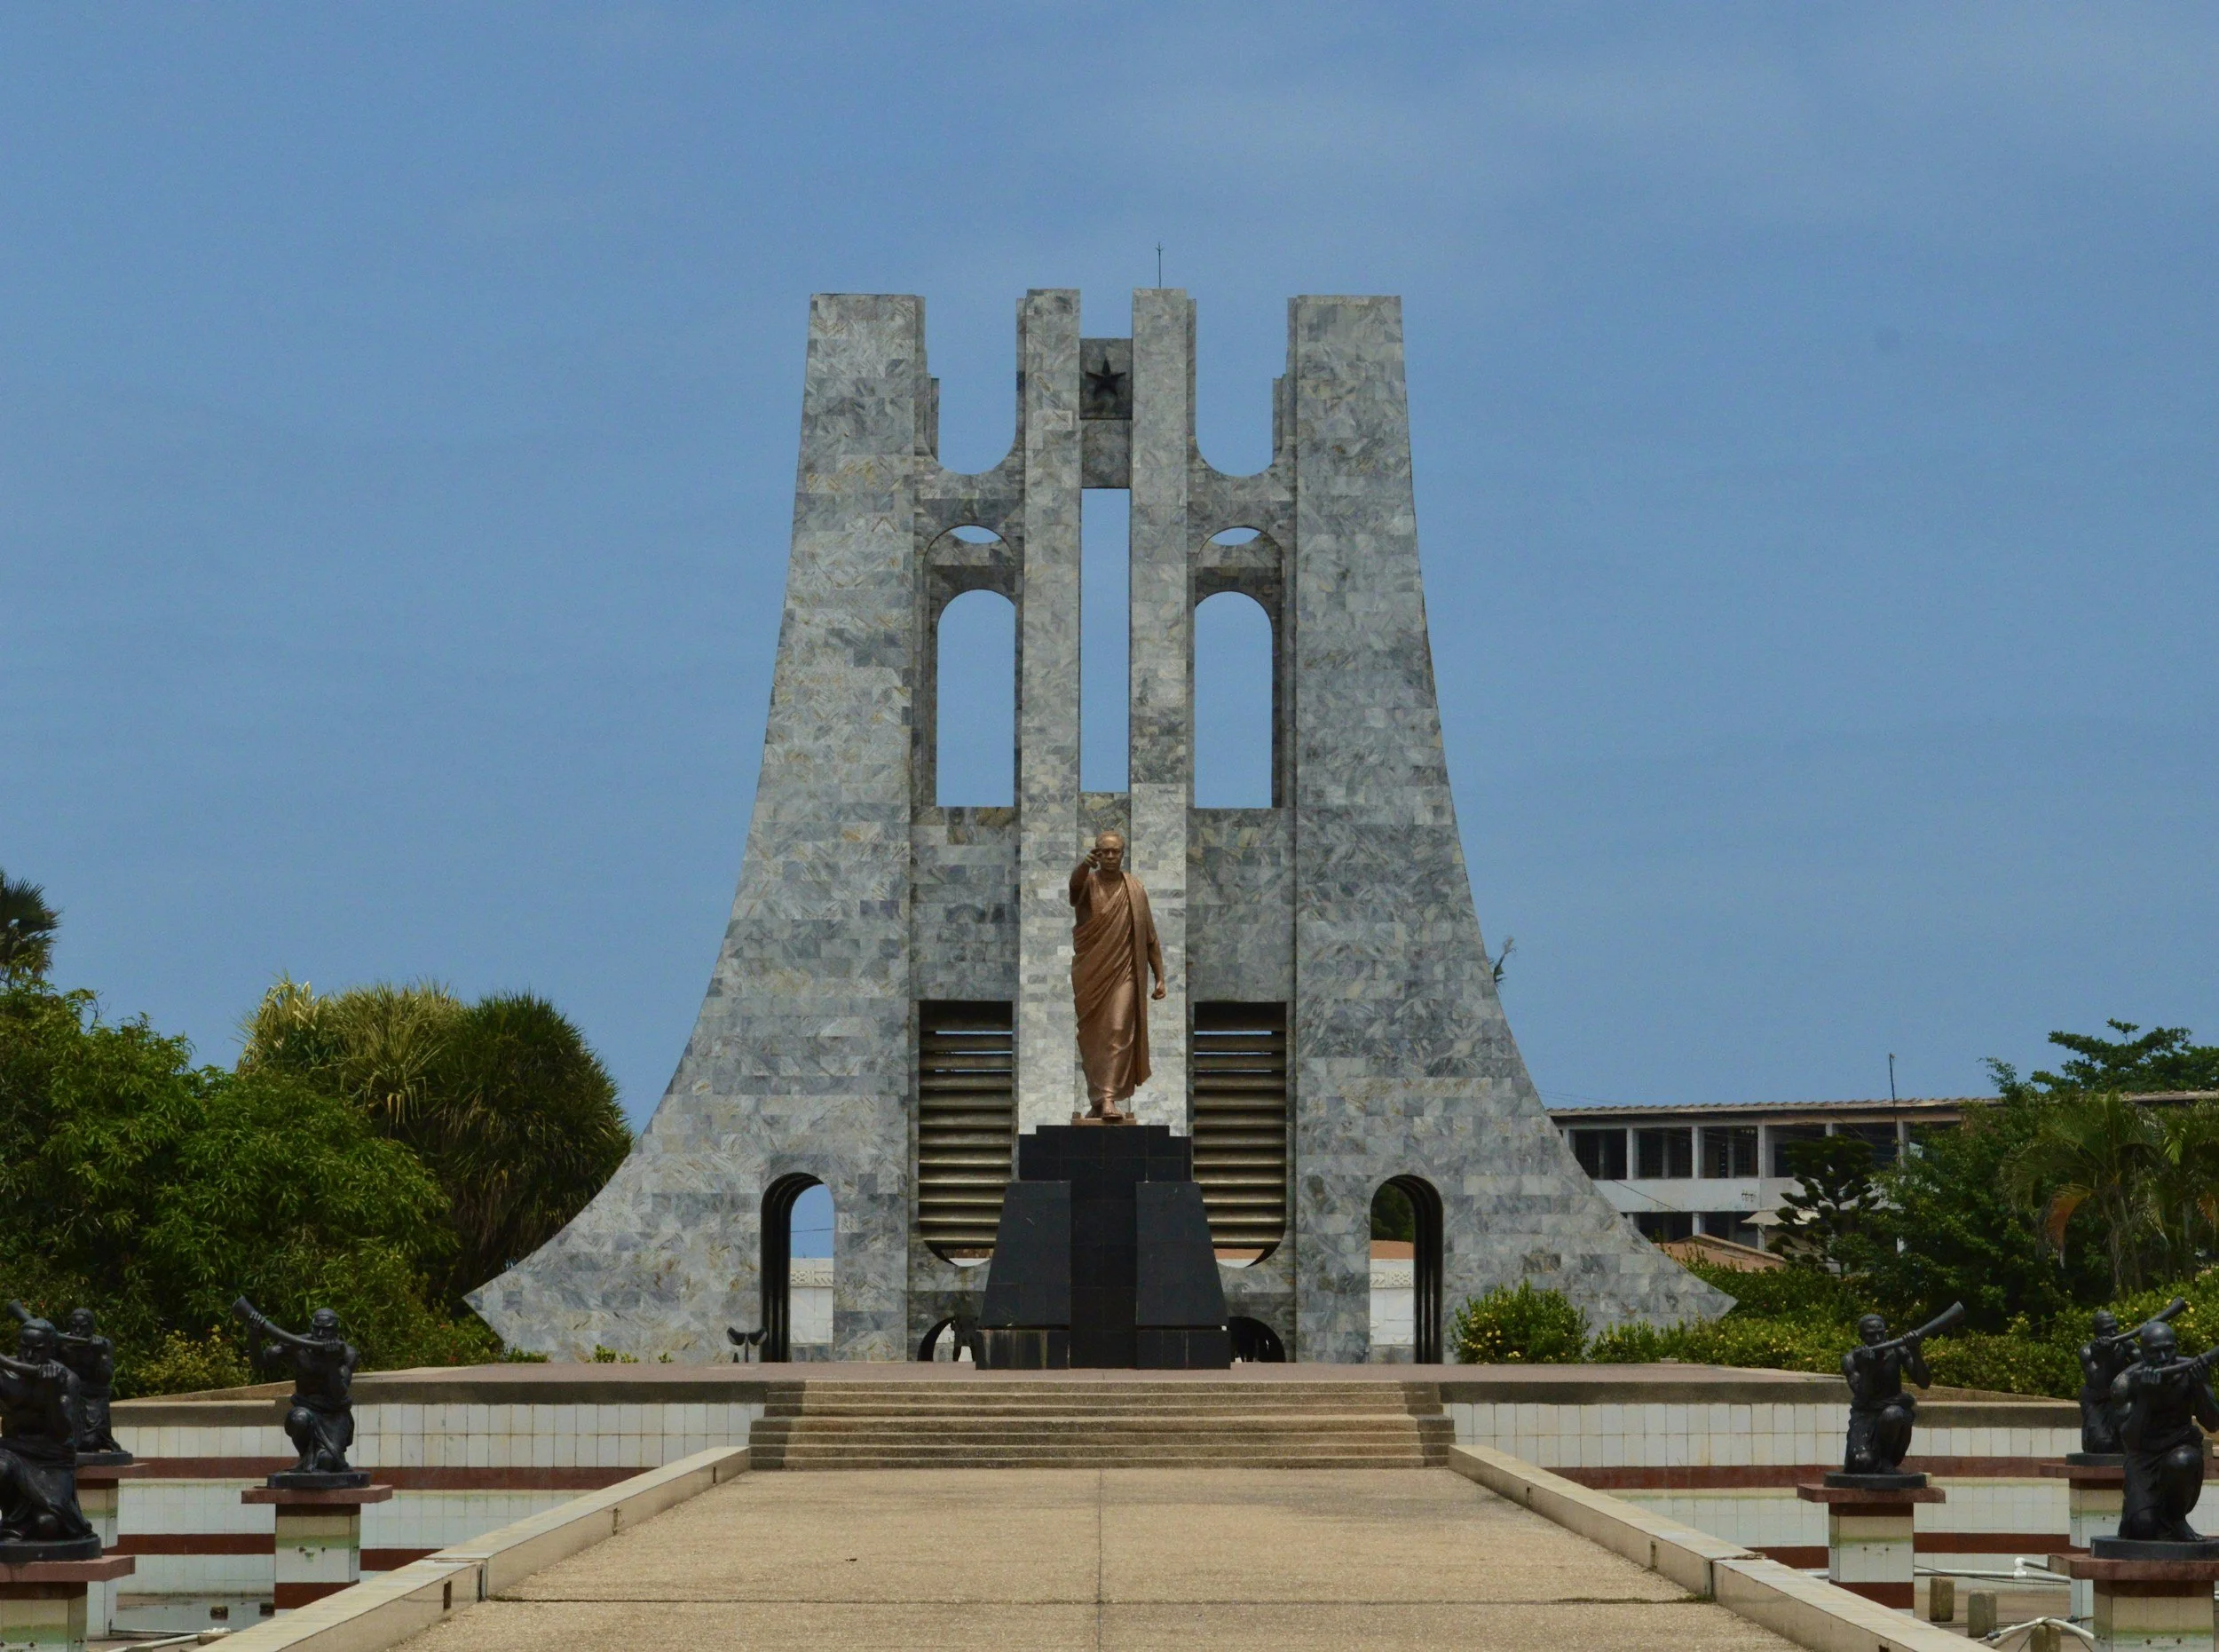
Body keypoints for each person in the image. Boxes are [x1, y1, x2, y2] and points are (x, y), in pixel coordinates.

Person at [1067, 830, 1166, 1121]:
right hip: (1092, 973)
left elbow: (1150, 938)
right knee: (1093, 1038)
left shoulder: (1134, 889)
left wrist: (1160, 976)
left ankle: (1108, 1097)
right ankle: (1098, 1100)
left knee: (1118, 1028)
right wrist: (1083, 866)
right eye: (1104, 852)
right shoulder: (1088, 882)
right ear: (1097, 854)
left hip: (1124, 972)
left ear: (1122, 854)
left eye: (1115, 852)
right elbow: (1073, 893)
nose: (1110, 857)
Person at [2112, 1322, 2219, 1543]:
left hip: (2180, 1450)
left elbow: (2213, 1423)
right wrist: (2145, 1399)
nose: (2163, 1357)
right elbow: (2130, 1440)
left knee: (2182, 1460)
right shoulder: (2127, 1383)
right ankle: (2137, 1510)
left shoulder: (2189, 1372)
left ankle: (2177, 1519)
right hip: (2144, 1456)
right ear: (2142, 1354)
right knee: (2142, 1529)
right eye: (2155, 1352)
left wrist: (2199, 1386)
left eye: (2168, 1349)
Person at [0, 1316, 96, 1553]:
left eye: (37, 1350)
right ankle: (12, 1523)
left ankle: (24, 1526)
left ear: (51, 1349)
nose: (29, 1356)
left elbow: (61, 1431)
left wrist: (51, 1393)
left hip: (52, 1460)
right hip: (12, 1450)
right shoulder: (5, 1375)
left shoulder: (67, 1380)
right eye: (24, 1347)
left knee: (48, 1526)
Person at [236, 1302, 359, 1477]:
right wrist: (254, 1335)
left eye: (327, 1330)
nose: (320, 1334)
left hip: (334, 1415)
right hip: (306, 1410)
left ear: (336, 1331)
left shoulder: (346, 1353)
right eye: (317, 1329)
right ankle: (306, 1458)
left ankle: (322, 1457)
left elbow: (338, 1392)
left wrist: (331, 1362)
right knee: (299, 1418)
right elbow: (260, 1364)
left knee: (326, 1463)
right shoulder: (296, 1346)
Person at [1843, 1312, 1931, 1475]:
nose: (1877, 1339)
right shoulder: (1852, 1359)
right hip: (1866, 1414)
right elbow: (1863, 1397)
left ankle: (1886, 1459)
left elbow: (1924, 1383)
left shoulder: (1898, 1351)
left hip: (1893, 1414)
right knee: (1861, 1462)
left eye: (1880, 1333)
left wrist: (1915, 1351)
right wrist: (1868, 1368)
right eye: (1870, 1335)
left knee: (1893, 1414)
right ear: (1861, 1336)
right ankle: (1873, 1459)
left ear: (1886, 1332)